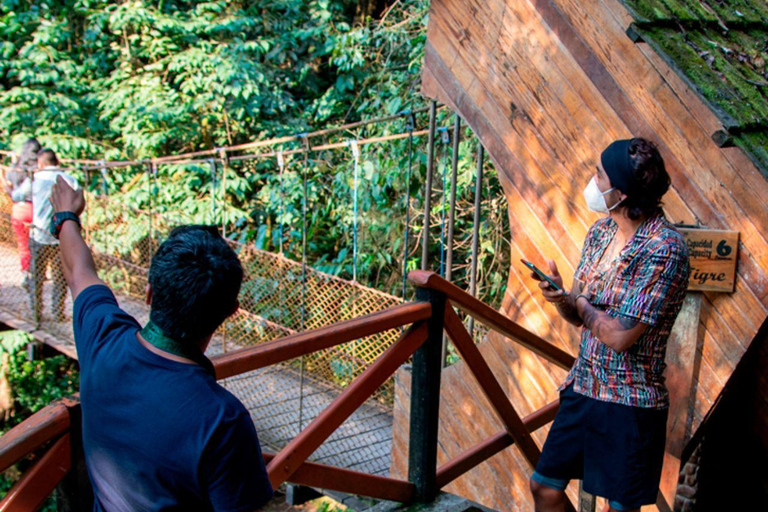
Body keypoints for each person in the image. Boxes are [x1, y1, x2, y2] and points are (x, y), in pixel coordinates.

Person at [49, 176, 273, 511]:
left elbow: (78, 270)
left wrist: (65, 216)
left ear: (150, 292)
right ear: (229, 312)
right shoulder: (223, 420)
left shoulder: (102, 339)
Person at [528, 138, 691, 512]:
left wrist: (579, 301)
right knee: (544, 487)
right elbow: (581, 317)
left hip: (629, 403)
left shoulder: (663, 249)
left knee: (618, 509)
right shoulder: (600, 233)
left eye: (599, 174)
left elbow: (619, 335)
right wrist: (561, 298)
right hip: (584, 385)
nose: (593, 181)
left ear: (620, 192)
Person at [18, 149, 78, 323]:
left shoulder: (35, 179)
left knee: (37, 275)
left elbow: (19, 195)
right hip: (61, 237)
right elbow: (78, 195)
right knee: (60, 276)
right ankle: (58, 313)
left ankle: (36, 311)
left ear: (41, 163)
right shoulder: (68, 179)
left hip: (39, 235)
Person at [1, 138, 40, 288]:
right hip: (37, 210)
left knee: (23, 244)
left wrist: (12, 163)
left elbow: (9, 184)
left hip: (20, 210)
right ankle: (38, 272)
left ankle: (27, 273)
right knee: (39, 244)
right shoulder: (40, 167)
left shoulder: (16, 168)